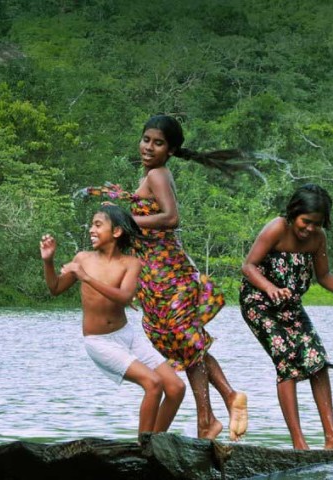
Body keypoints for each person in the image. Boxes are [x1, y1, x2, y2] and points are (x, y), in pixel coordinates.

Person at [83, 114, 248, 441]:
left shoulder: (158, 174)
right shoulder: (152, 175)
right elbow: (150, 209)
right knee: (185, 344)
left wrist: (125, 218)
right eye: (146, 140)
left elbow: (170, 217)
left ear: (170, 150)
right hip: (159, 276)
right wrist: (125, 198)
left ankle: (225, 401)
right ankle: (208, 420)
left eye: (158, 143)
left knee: (185, 344)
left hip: (168, 274)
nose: (149, 147)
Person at [40, 203, 186, 436]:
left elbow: (125, 296)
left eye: (98, 225)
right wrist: (48, 261)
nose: (91, 230)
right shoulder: (83, 259)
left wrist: (86, 278)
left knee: (176, 387)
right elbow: (55, 288)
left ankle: (155, 444)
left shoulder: (130, 263)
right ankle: (145, 447)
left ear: (116, 232)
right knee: (153, 383)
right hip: (99, 341)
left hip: (126, 336)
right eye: (91, 225)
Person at [239, 183, 333, 450]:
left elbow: (324, 275)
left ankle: (332, 436)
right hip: (258, 302)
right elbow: (248, 266)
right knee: (286, 360)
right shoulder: (277, 228)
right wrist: (270, 288)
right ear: (293, 214)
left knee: (316, 359)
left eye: (316, 223)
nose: (309, 228)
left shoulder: (318, 238)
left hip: (290, 305)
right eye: (305, 221)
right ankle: (299, 443)